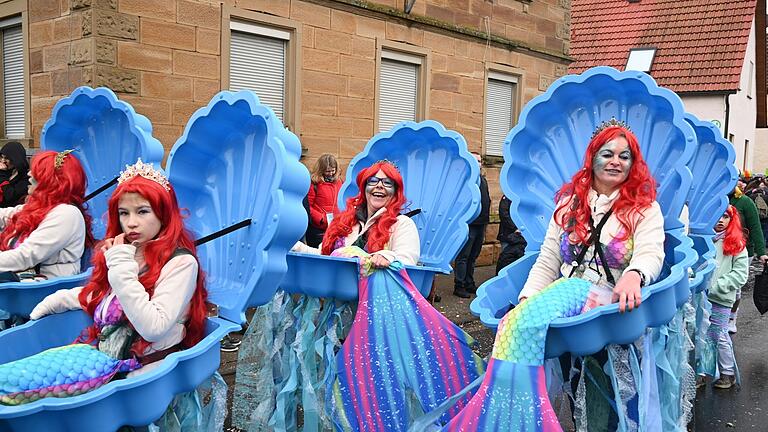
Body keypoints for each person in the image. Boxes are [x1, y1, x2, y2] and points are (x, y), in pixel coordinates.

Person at [444, 121, 666, 430]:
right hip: (563, 309)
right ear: (592, 157)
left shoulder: (644, 208)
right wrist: (527, 300)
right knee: (568, 380)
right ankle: (516, 418)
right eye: (608, 153)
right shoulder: (569, 204)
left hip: (612, 312)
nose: (616, 161)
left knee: (610, 396)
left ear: (633, 163)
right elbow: (548, 259)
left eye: (624, 156)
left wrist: (635, 274)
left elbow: (651, 251)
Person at [30, 160, 208, 374]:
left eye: (142, 211)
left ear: (163, 213)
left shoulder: (181, 263)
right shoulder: (130, 250)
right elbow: (107, 298)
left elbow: (154, 327)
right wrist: (57, 300)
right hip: (110, 362)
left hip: (147, 376)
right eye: (124, 213)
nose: (131, 222)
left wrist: (120, 265)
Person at [293, 160, 419, 266]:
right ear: (364, 189)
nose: (379, 186)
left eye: (387, 183)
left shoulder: (402, 224)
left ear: (395, 192)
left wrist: (387, 256)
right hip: (333, 294)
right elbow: (323, 257)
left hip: (372, 295)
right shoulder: (343, 222)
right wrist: (293, 246)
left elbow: (407, 262)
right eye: (373, 181)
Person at [0, 150, 93, 279]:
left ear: (52, 180)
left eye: (37, 172)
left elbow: (25, 256)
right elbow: (5, 215)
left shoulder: (66, 214)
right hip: (22, 282)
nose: (29, 174)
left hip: (43, 290)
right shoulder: (41, 207)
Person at [697, 205, 748, 389]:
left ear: (731, 220)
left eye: (725, 216)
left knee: (718, 335)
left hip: (720, 299)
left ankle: (727, 373)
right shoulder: (704, 239)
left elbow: (740, 274)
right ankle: (700, 374)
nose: (720, 220)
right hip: (700, 297)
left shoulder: (736, 244)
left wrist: (716, 286)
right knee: (700, 335)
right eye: (717, 215)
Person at [727, 186, 767, 333]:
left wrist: (761, 252)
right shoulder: (715, 198)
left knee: (736, 288)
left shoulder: (745, 202)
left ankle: (732, 318)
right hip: (721, 249)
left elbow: (756, 227)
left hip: (743, 250)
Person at [453, 152, 490, 298]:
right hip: (469, 224)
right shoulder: (464, 181)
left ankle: (469, 282)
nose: (478, 163)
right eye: (474, 160)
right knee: (463, 256)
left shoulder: (483, 180)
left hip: (481, 224)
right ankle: (459, 285)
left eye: (480, 161)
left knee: (473, 256)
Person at [305, 154, 343, 248]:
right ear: (321, 170)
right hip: (318, 229)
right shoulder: (314, 183)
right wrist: (321, 219)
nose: (330, 173)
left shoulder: (340, 182)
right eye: (327, 171)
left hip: (334, 226)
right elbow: (308, 206)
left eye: (332, 170)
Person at [495, 194, 527, 275]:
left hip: (520, 235)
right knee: (505, 261)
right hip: (507, 234)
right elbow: (504, 214)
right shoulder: (507, 196)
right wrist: (515, 228)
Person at [0, 141, 30, 207]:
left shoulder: (26, 177)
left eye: (6, 158)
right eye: (2, 157)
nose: (3, 161)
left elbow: (10, 196)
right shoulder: (7, 171)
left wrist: (2, 174)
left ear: (15, 159)